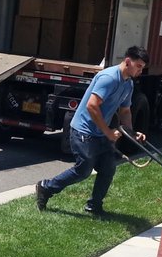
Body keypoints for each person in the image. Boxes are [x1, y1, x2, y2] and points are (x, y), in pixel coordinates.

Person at [36, 46, 149, 216]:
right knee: (83, 170)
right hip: (84, 130)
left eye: (142, 67)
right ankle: (46, 187)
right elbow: (92, 106)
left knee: (108, 168)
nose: (140, 71)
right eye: (138, 66)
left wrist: (132, 134)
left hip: (100, 133)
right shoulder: (109, 78)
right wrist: (109, 132)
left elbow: (125, 111)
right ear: (127, 61)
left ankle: (94, 206)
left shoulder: (128, 84)